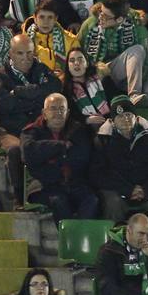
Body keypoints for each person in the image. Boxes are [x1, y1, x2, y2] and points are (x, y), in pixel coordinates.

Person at [20, 92, 97, 221]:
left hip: (75, 183)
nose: (58, 112)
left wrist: (48, 156)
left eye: (62, 108)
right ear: (44, 113)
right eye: (53, 108)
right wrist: (61, 146)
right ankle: (67, 238)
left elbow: (82, 156)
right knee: (59, 202)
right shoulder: (31, 131)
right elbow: (29, 153)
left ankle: (78, 237)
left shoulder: (77, 130)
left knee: (92, 200)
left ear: (67, 112)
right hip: (45, 185)